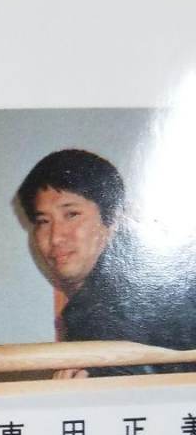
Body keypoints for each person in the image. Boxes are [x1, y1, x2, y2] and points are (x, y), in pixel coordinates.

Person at [17, 148, 196, 377]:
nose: (55, 237)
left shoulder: (109, 306)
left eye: (71, 214)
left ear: (112, 218)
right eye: (43, 221)